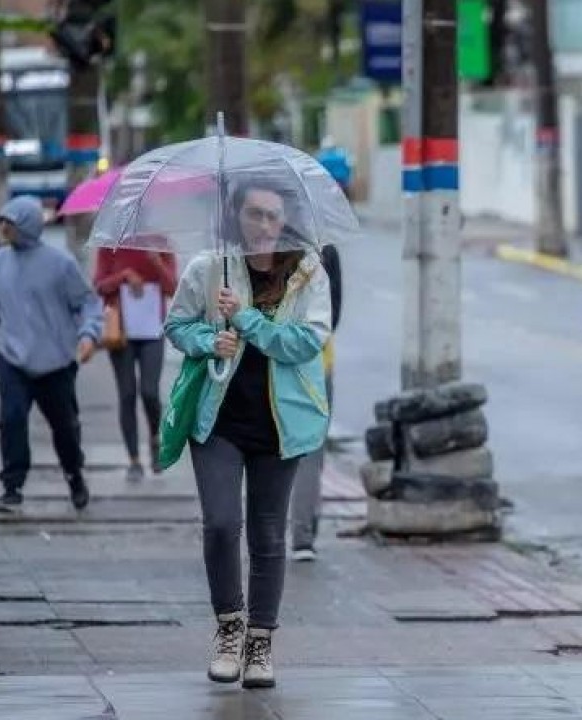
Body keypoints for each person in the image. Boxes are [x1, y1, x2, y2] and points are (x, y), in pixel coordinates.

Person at [164, 178, 332, 690]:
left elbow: (308, 341)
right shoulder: (209, 267)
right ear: (237, 216)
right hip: (217, 419)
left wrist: (249, 321)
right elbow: (176, 325)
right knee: (219, 523)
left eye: (272, 216)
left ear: (287, 221)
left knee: (267, 534)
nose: (263, 226)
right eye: (254, 214)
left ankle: (261, 642)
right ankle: (229, 627)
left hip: (281, 424)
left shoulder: (307, 273)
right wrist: (209, 338)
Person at [0, 196, 103, 513]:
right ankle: (12, 486)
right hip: (11, 358)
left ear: (28, 224)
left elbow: (87, 303)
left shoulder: (61, 263)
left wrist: (87, 335)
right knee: (11, 420)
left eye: (10, 222)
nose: (3, 227)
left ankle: (74, 476)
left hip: (56, 361)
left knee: (66, 427)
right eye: (1, 221)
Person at [93, 248, 179, 481]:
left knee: (150, 392)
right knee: (127, 393)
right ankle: (134, 460)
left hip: (152, 331)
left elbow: (173, 289)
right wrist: (124, 276)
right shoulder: (110, 245)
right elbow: (99, 286)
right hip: (120, 331)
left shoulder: (160, 245)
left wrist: (157, 263)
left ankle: (154, 439)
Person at [288, 241, 342, 562]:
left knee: (292, 453)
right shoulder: (325, 252)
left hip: (290, 363)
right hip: (317, 365)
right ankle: (303, 533)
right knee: (310, 452)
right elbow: (333, 316)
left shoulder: (263, 252)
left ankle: (300, 526)